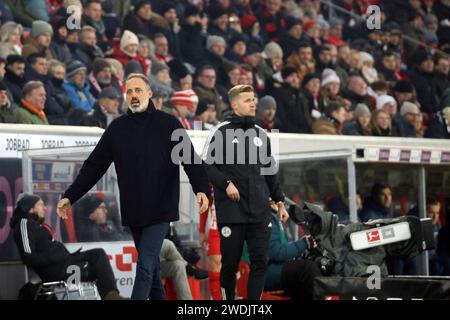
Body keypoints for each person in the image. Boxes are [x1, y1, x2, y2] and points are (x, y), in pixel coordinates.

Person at [57, 73, 210, 300]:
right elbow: (93, 167)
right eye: (129, 92)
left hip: (160, 210)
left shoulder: (168, 124)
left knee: (146, 264)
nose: (134, 95)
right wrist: (70, 196)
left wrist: (201, 189)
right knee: (153, 271)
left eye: (138, 90)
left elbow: (190, 158)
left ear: (149, 94)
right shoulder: (117, 128)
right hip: (133, 211)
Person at [202, 84, 289, 300]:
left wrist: (280, 201)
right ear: (234, 104)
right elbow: (207, 166)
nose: (253, 103)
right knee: (230, 264)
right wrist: (226, 183)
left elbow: (270, 172)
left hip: (260, 211)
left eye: (254, 99)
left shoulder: (261, 134)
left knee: (261, 262)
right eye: (248, 100)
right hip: (232, 211)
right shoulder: (220, 131)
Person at [10, 194, 123, 300]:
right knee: (97, 269)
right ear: (30, 209)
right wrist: (56, 256)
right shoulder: (23, 224)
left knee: (98, 254)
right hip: (58, 270)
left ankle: (111, 295)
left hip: (65, 261)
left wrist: (61, 255)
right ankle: (111, 296)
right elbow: (28, 258)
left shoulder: (38, 226)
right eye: (40, 205)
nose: (44, 208)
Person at [265, 203, 321, 300]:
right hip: (262, 271)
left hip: (273, 266)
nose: (282, 201)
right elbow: (275, 252)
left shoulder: (274, 217)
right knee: (307, 269)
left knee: (312, 265)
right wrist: (305, 243)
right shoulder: (266, 218)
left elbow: (282, 248)